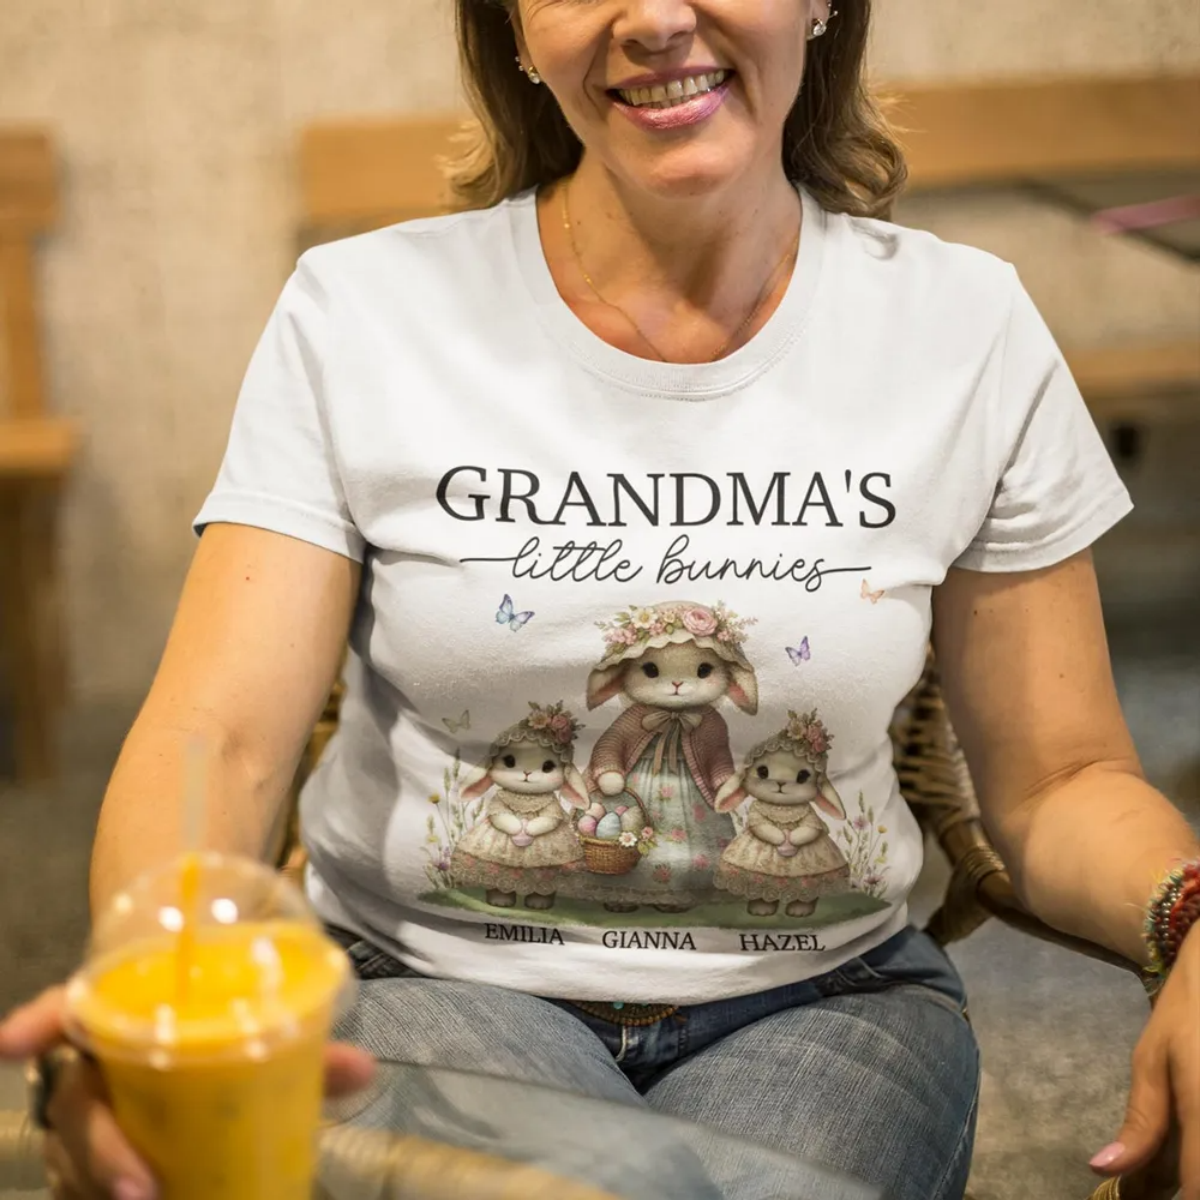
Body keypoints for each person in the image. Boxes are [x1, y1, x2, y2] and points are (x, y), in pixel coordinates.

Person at [2, 2, 1198, 1198]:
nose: (658, 17)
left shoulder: (966, 329)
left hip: (831, 1001)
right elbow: (220, 737)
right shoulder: (359, 314)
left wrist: (1193, 925)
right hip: (429, 978)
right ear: (518, 30)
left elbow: (1058, 779)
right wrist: (154, 985)